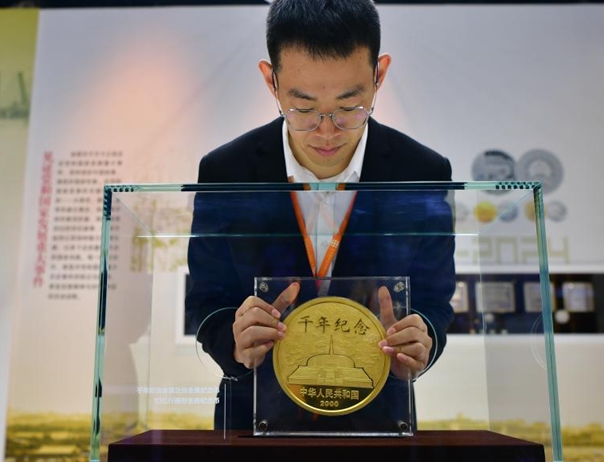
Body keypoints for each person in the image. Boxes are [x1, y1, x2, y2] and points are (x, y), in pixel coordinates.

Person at [185, 0, 455, 432]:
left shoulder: (421, 172)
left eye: (350, 106)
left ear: (378, 76)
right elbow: (205, 300)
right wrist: (234, 344)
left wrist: (422, 341)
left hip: (378, 421)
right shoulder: (226, 172)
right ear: (270, 81)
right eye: (303, 108)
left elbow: (435, 301)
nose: (326, 131)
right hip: (251, 419)